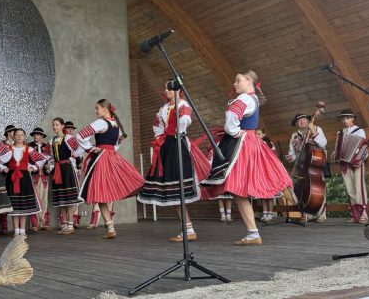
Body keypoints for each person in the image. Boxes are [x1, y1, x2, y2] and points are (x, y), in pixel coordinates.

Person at [200, 71, 291, 245]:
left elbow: (231, 117)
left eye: (238, 80)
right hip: (248, 142)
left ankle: (253, 233)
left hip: (240, 143)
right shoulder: (253, 99)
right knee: (238, 190)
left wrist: (233, 131)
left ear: (249, 81)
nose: (235, 84)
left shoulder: (244, 99)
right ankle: (252, 233)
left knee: (238, 189)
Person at [137, 81, 211, 241]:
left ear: (177, 90)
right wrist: (160, 137)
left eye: (168, 88)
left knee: (179, 187)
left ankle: (189, 230)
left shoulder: (183, 104)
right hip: (168, 145)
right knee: (174, 189)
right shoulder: (164, 108)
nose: (165, 91)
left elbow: (185, 119)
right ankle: (188, 229)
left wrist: (178, 129)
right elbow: (157, 123)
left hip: (179, 144)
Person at [77, 99, 145, 239]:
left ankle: (111, 227)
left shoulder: (101, 123)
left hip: (101, 158)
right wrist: (111, 150)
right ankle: (110, 228)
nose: (95, 111)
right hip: (112, 157)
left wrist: (90, 148)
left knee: (101, 192)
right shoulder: (116, 125)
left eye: (97, 108)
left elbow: (80, 135)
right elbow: (119, 141)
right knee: (104, 192)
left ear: (104, 108)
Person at [5, 128, 48, 236]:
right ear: (13, 137)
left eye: (21, 135)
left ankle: (22, 230)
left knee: (23, 204)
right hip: (12, 178)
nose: (19, 137)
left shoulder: (28, 149)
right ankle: (16, 230)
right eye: (17, 135)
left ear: (25, 137)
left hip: (24, 178)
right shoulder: (8, 148)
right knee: (14, 204)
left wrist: (33, 167)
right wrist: (3, 168)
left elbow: (42, 159)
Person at [287, 113, 328, 223]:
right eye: (299, 121)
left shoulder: (317, 128)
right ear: (296, 124)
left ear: (308, 121)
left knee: (319, 188)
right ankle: (307, 213)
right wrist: (291, 158)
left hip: (314, 165)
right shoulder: (294, 136)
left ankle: (321, 214)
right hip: (302, 167)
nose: (302, 122)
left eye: (304, 119)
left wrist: (313, 131)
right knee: (301, 189)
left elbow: (323, 144)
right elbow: (292, 153)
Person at [331, 109, 369, 224]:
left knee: (359, 187)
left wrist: (361, 158)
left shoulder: (359, 131)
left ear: (352, 118)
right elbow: (338, 147)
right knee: (349, 188)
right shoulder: (340, 133)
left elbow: (364, 146)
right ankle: (355, 215)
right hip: (344, 162)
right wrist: (334, 153)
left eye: (347, 118)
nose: (344, 120)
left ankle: (364, 214)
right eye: (343, 118)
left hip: (356, 162)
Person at [48, 117, 84, 235]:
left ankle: (70, 225)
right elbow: (50, 156)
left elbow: (80, 148)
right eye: (54, 125)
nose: (55, 127)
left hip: (67, 170)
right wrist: (51, 164)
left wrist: (71, 158)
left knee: (69, 199)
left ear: (62, 126)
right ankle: (64, 225)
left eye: (57, 125)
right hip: (57, 170)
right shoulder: (51, 140)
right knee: (61, 199)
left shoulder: (68, 138)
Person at [28, 127, 51, 231]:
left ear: (42, 136)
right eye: (34, 134)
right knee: (34, 198)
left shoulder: (47, 147)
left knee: (44, 198)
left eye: (38, 134)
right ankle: (35, 223)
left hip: (45, 175)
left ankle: (44, 222)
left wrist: (49, 166)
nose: (36, 136)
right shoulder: (29, 147)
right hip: (34, 175)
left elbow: (52, 160)